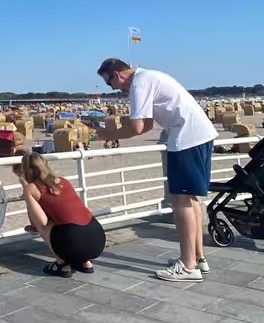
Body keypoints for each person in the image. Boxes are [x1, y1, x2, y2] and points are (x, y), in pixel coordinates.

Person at [96, 58, 218, 282]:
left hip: (186, 137)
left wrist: (108, 135)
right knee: (191, 199)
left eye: (109, 83)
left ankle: (188, 266)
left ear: (117, 75)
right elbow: (148, 124)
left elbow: (137, 127)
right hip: (199, 134)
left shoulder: (139, 83)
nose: (113, 89)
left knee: (180, 200)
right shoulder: (148, 77)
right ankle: (197, 258)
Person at [15, 152, 106, 276]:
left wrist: (26, 193)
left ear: (26, 170)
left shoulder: (31, 188)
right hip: (97, 239)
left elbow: (41, 223)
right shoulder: (64, 181)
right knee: (69, 221)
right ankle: (86, 262)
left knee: (46, 226)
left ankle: (62, 265)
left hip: (74, 240)